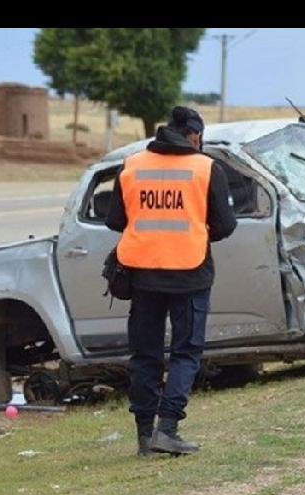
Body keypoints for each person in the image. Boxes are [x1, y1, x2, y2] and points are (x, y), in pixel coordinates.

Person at [106, 106, 237, 456]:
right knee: (185, 353)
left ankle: (145, 438)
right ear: (195, 136)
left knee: (145, 356)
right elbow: (225, 226)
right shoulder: (206, 169)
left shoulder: (132, 165)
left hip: (143, 275)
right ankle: (168, 428)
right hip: (190, 276)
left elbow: (114, 220)